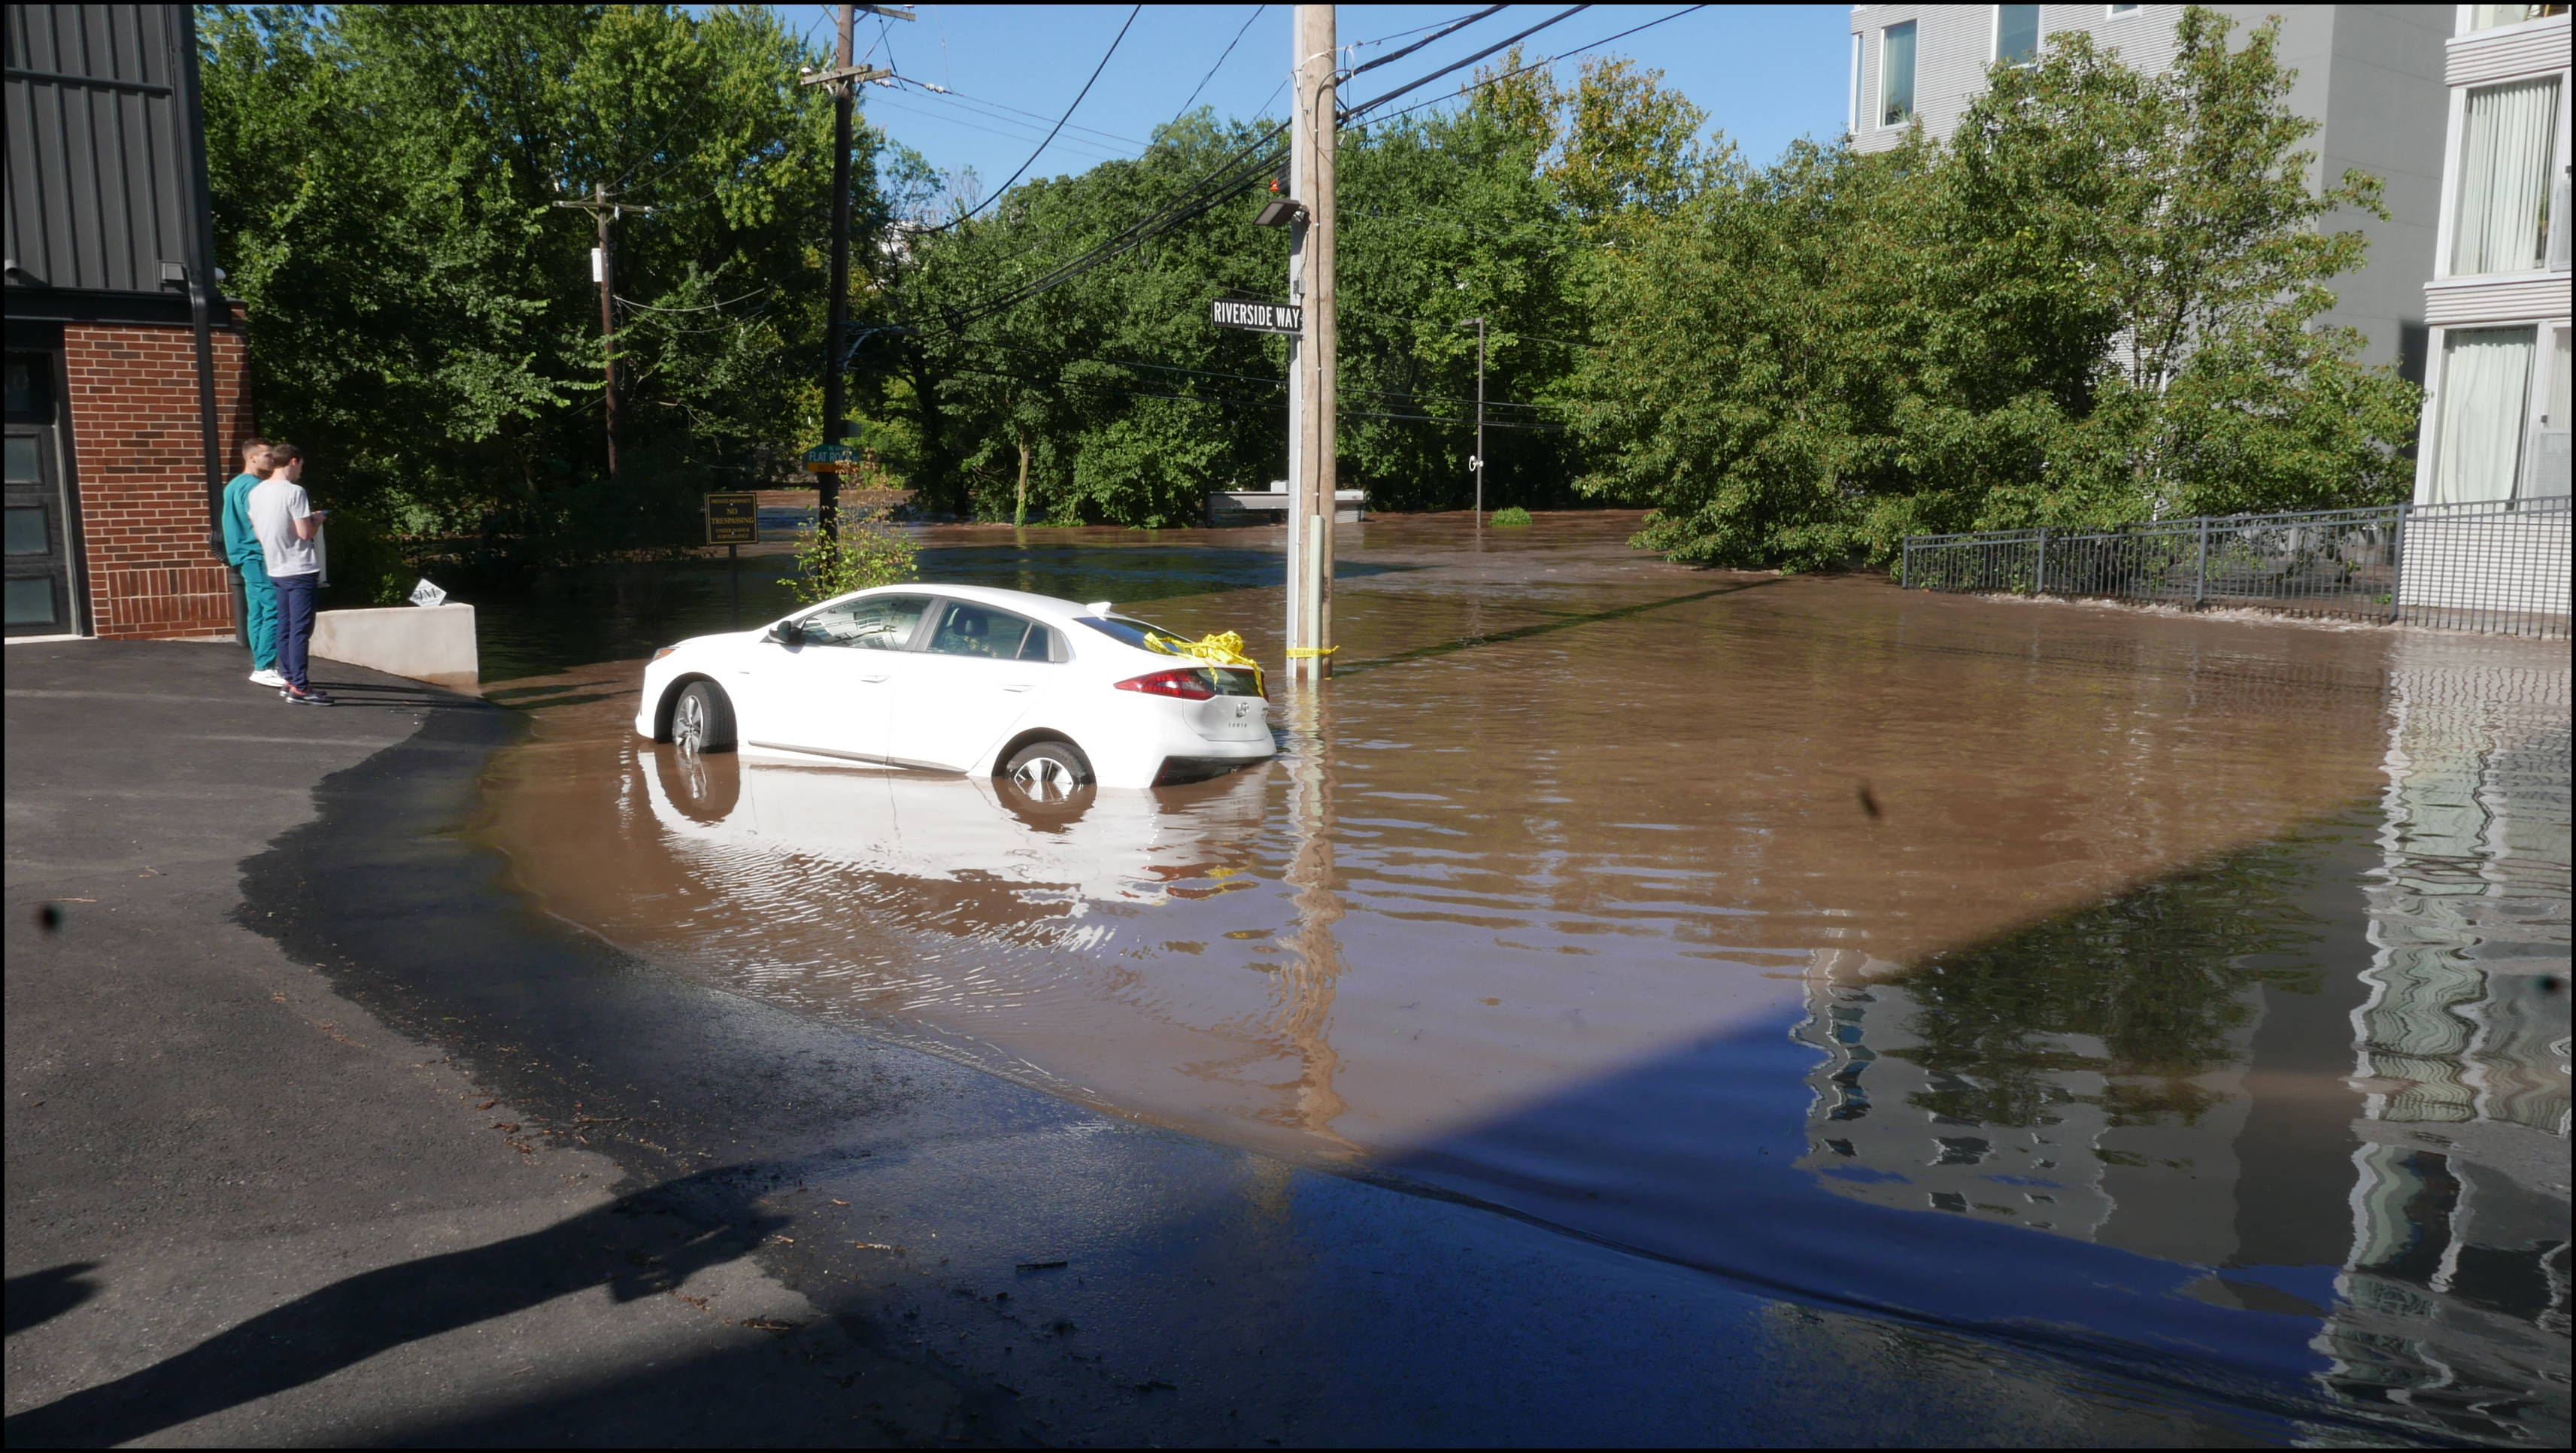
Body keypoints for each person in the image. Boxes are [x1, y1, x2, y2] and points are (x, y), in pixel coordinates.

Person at [245, 443, 331, 705]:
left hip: (276, 567)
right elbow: (305, 533)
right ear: (293, 461)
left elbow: (259, 531)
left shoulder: (257, 492)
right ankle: (301, 688)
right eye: (301, 466)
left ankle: (290, 679)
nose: (301, 471)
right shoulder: (295, 492)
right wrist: (317, 519)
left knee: (285, 624)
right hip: (300, 567)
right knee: (300, 629)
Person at [219, 437, 283, 688]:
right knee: (273, 608)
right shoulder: (255, 487)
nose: (272, 459)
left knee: (257, 610)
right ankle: (264, 667)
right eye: (267, 455)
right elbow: (259, 522)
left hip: (243, 555)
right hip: (256, 554)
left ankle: (262, 664)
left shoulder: (234, 484)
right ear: (251, 457)